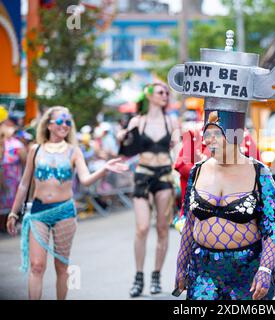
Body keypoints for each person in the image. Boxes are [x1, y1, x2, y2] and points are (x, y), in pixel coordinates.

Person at [6, 106, 128, 300]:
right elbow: (23, 184)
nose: (65, 126)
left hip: (64, 212)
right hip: (38, 212)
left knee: (62, 266)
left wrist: (104, 169)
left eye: (68, 122)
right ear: (49, 124)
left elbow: (86, 179)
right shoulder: (35, 150)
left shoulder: (74, 151)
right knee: (37, 266)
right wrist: (13, 213)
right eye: (61, 121)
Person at [173, 109, 275, 300]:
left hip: (247, 272)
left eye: (216, 134)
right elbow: (190, 224)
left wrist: (265, 269)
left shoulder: (259, 172)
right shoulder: (197, 171)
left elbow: (273, 227)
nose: (209, 140)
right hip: (203, 273)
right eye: (206, 134)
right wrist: (181, 267)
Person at [117, 82, 178, 297]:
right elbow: (125, 148)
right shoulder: (138, 121)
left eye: (167, 93)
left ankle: (156, 276)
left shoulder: (171, 121)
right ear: (149, 95)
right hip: (143, 174)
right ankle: (138, 276)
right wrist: (121, 138)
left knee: (162, 228)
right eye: (161, 92)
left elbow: (178, 150)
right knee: (142, 228)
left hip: (164, 175)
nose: (165, 95)